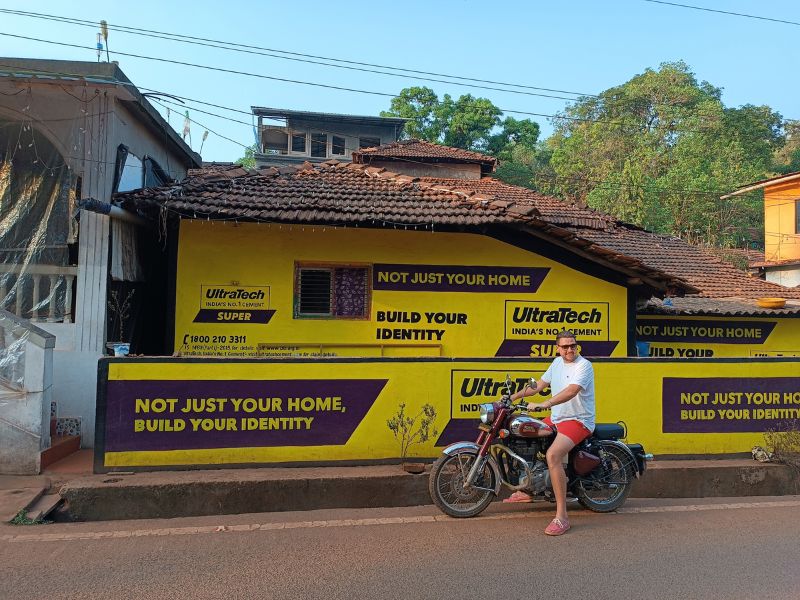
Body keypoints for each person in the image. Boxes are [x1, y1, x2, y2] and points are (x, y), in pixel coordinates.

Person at [502, 329, 596, 536]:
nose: (570, 349)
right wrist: (512, 397)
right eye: (565, 346)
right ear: (558, 348)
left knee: (553, 455)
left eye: (573, 345)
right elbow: (538, 386)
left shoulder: (584, 365)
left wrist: (546, 403)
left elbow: (572, 390)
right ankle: (528, 489)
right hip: (557, 418)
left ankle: (562, 517)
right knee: (523, 434)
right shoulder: (556, 363)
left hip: (578, 420)